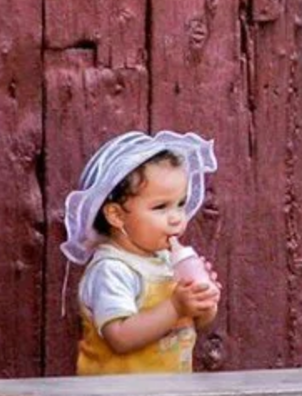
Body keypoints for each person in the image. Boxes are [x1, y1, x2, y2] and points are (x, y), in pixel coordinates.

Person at [61, 131, 220, 375]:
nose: (177, 217)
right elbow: (120, 337)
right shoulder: (112, 269)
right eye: (160, 207)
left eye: (181, 204)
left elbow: (195, 322)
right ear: (116, 215)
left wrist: (203, 302)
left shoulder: (166, 261)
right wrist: (177, 306)